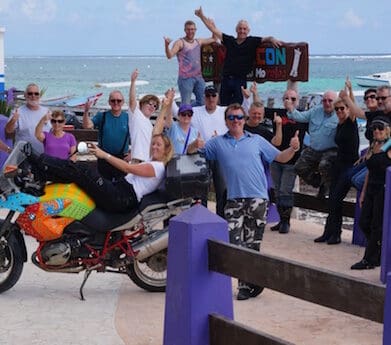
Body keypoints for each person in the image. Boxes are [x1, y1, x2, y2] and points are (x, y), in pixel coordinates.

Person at [192, 103, 300, 300]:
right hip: (233, 200)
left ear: (244, 119)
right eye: (232, 117)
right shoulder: (217, 143)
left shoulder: (256, 140)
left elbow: (281, 158)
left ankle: (247, 285)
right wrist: (194, 144)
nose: (236, 121)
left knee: (252, 245)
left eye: (239, 117)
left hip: (258, 200)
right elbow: (197, 153)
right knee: (234, 244)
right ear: (226, 121)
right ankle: (251, 281)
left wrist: (293, 149)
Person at [24, 132, 174, 214]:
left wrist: (104, 155)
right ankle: (42, 174)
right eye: (153, 143)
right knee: (79, 177)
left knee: (83, 170)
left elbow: (128, 169)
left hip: (122, 196)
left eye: (158, 145)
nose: (154, 146)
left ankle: (41, 162)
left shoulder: (158, 167)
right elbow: (157, 130)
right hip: (120, 191)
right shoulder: (154, 161)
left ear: (166, 149)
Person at [195, 6, 282, 106]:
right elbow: (214, 30)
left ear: (248, 31)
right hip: (226, 78)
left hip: (240, 80)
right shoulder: (230, 40)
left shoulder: (252, 41)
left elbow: (266, 39)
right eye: (240, 28)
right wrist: (201, 16)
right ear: (236, 30)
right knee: (224, 107)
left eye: (244, 29)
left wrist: (272, 38)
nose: (242, 31)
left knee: (238, 107)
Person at [314, 92, 359, 244]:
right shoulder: (339, 124)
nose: (339, 111)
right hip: (338, 165)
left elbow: (354, 107)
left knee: (336, 198)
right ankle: (328, 232)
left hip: (349, 165)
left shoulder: (351, 122)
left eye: (342, 109)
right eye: (337, 109)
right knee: (332, 199)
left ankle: (336, 234)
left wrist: (349, 92)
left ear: (348, 109)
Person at [351, 116, 391, 269]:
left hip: (384, 189)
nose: (377, 131)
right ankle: (379, 250)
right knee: (364, 222)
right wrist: (363, 193)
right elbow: (369, 171)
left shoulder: (388, 145)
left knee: (376, 225)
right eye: (374, 128)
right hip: (371, 189)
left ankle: (369, 259)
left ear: (387, 129)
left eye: (380, 128)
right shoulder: (374, 145)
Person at [286, 90, 339, 198]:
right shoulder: (315, 110)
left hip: (331, 150)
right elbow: (300, 117)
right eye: (324, 100)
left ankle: (327, 190)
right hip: (314, 149)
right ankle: (319, 183)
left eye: (330, 101)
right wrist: (290, 108)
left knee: (324, 165)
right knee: (298, 167)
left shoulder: (340, 114)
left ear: (336, 102)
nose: (327, 103)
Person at [269, 89, 307, 234]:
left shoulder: (303, 116)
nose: (289, 101)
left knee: (286, 190)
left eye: (292, 99)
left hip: (292, 160)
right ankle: (281, 219)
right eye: (286, 98)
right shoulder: (277, 114)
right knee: (278, 191)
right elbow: (257, 109)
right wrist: (253, 94)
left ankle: (286, 221)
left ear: (297, 101)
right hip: (277, 158)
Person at [164, 20, 215, 106]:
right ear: (185, 30)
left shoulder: (198, 41)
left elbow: (214, 38)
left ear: (195, 30)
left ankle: (188, 110)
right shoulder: (180, 42)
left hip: (199, 77)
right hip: (185, 79)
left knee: (202, 102)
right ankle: (184, 112)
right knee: (185, 104)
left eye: (192, 29)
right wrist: (166, 45)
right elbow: (170, 55)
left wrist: (212, 25)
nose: (190, 31)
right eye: (188, 29)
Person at [83, 90, 130, 180]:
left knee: (120, 186)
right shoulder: (102, 116)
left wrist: (132, 154)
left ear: (123, 102)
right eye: (113, 100)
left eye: (119, 100)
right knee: (104, 186)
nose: (116, 103)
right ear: (109, 102)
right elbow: (87, 126)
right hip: (103, 156)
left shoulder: (128, 118)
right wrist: (86, 112)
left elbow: (137, 137)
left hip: (121, 158)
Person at [5, 83, 50, 153]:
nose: (33, 96)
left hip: (44, 156)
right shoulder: (18, 112)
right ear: (25, 95)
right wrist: (13, 120)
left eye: (36, 93)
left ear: (40, 95)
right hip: (24, 156)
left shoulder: (47, 111)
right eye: (30, 93)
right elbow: (8, 130)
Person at [128, 69, 161, 163]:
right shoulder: (136, 115)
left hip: (149, 162)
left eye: (155, 106)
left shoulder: (151, 125)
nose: (152, 107)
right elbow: (132, 100)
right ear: (142, 104)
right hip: (137, 161)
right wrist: (133, 81)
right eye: (150, 103)